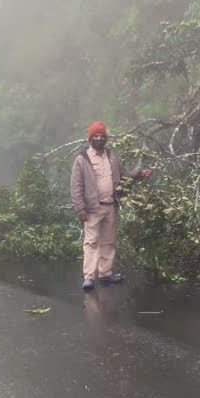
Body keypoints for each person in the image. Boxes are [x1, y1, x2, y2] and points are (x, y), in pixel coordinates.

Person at [70, 121, 151, 290]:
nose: (99, 139)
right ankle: (89, 277)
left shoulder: (111, 155)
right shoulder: (82, 158)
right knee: (91, 242)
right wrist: (80, 209)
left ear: (105, 138)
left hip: (110, 205)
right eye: (95, 136)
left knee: (108, 241)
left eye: (102, 136)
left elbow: (125, 175)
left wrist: (140, 175)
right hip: (92, 208)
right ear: (90, 138)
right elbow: (76, 186)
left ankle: (105, 274)